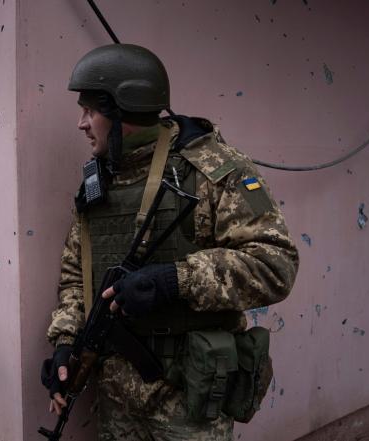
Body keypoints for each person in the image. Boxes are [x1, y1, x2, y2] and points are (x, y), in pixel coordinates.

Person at [42, 43, 299, 441]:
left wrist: (175, 280)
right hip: (116, 401)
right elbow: (77, 275)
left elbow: (274, 265)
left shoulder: (210, 169)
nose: (81, 123)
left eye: (89, 110)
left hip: (188, 397)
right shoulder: (99, 183)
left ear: (120, 112)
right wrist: (65, 344)